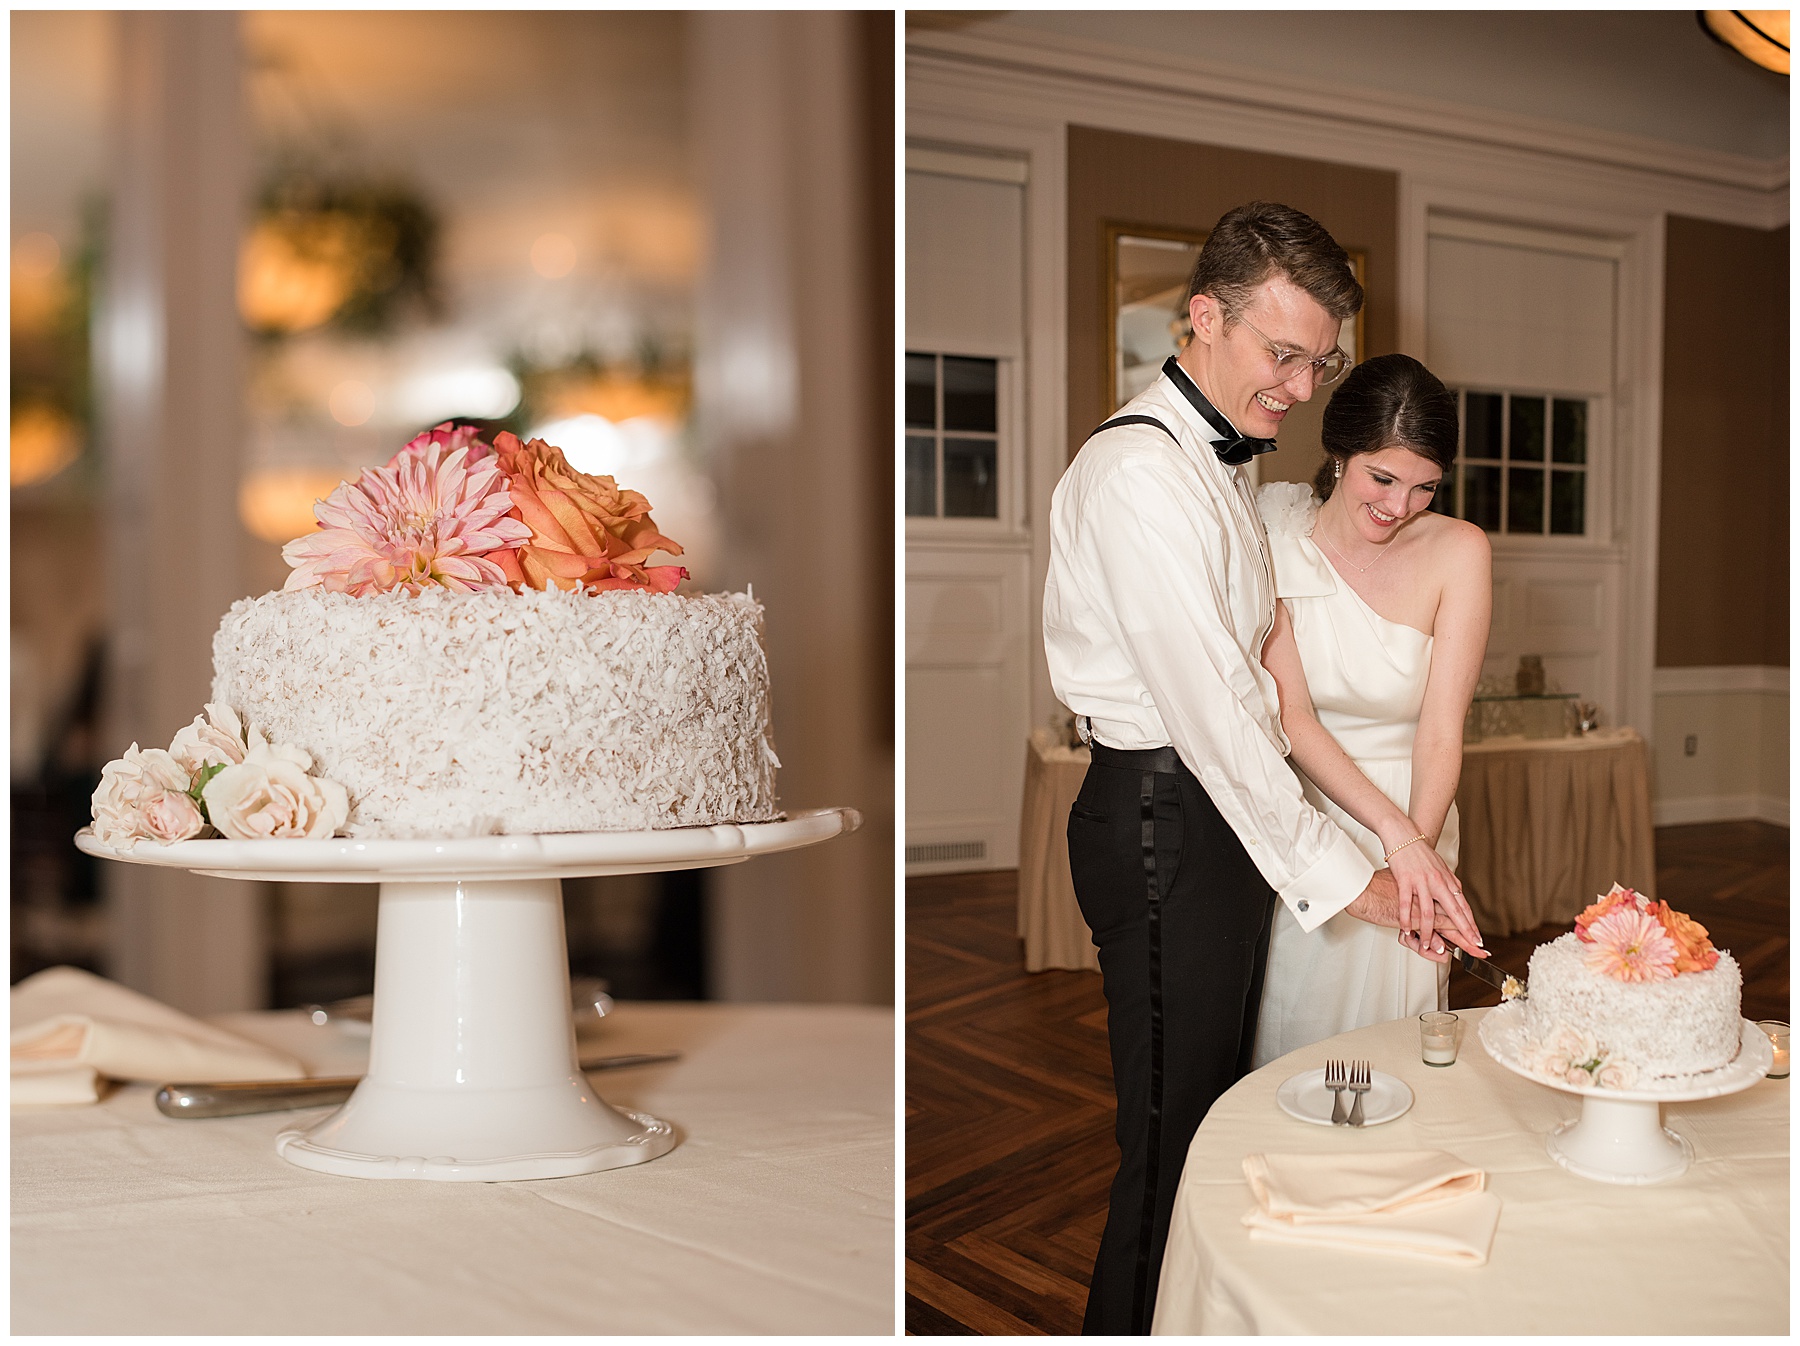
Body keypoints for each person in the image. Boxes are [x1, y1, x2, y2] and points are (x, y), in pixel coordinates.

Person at [1043, 202, 1484, 1336]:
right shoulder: (1140, 474)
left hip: (1215, 826)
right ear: (1203, 318)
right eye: (1280, 353)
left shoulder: (1225, 467)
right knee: (1169, 1144)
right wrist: (1369, 882)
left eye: (1316, 360)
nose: (1296, 386)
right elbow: (1220, 720)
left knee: (1218, 1118)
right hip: (1162, 820)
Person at [1250, 354, 1491, 1068]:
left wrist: (1418, 847)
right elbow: (1293, 720)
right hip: (1315, 818)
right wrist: (1393, 841)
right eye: (1381, 478)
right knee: (1300, 1021)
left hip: (1423, 807)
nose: (1398, 504)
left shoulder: (1460, 552)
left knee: (1403, 1031)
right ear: (1339, 452)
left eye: (1425, 488)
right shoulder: (1274, 540)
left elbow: (1443, 730)